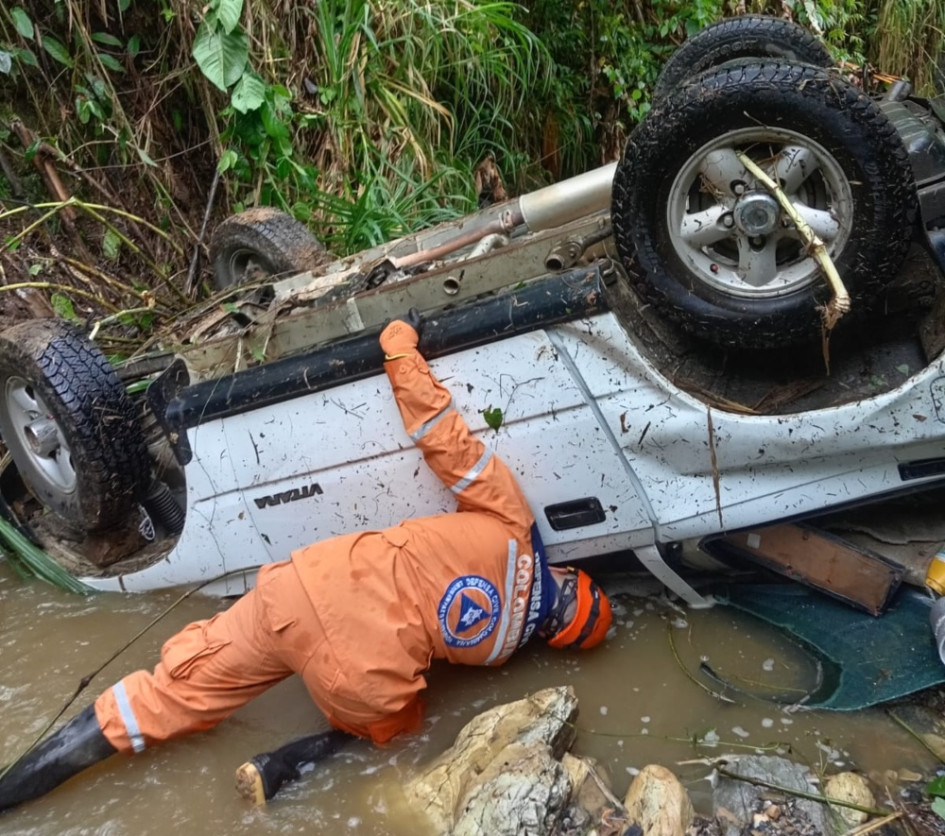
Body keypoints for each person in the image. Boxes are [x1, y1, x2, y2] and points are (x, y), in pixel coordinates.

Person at [0, 312, 613, 813]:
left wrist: (400, 347)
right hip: (359, 674)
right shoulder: (501, 649)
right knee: (397, 727)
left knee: (165, 696)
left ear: (569, 577)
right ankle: (284, 765)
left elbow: (443, 438)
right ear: (553, 637)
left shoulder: (513, 525)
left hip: (303, 587)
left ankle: (12, 794)